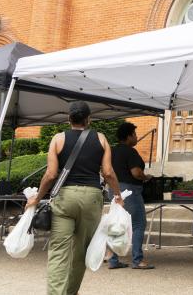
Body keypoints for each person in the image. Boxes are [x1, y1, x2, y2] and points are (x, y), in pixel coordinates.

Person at [26, 101, 124, 295]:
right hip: (91, 198)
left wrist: (37, 198)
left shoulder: (58, 139)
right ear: (88, 119)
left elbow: (51, 174)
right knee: (80, 252)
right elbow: (108, 172)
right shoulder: (101, 138)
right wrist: (118, 196)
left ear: (68, 118)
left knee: (59, 252)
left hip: (65, 197)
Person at [108, 122, 155, 270]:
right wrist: (146, 177)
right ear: (128, 136)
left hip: (113, 190)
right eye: (134, 134)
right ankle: (137, 260)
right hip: (130, 190)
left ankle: (113, 260)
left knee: (117, 224)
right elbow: (136, 172)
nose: (136, 137)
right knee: (138, 224)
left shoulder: (111, 151)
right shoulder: (130, 152)